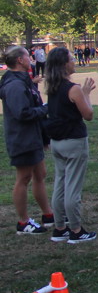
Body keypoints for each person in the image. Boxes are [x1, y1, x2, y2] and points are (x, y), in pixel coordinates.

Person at [43, 47, 98, 243]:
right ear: (64, 64)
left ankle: (60, 228)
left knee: (60, 184)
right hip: (73, 141)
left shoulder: (52, 87)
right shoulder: (72, 88)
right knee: (73, 187)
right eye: (71, 59)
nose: (74, 61)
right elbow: (88, 115)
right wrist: (86, 94)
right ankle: (76, 229)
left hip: (57, 141)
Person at [1, 45, 56, 235]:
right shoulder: (14, 85)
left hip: (33, 136)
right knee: (23, 178)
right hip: (22, 138)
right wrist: (46, 108)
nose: (31, 59)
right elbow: (22, 113)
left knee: (40, 174)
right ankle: (23, 222)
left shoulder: (23, 81)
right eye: (27, 56)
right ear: (20, 60)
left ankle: (48, 214)